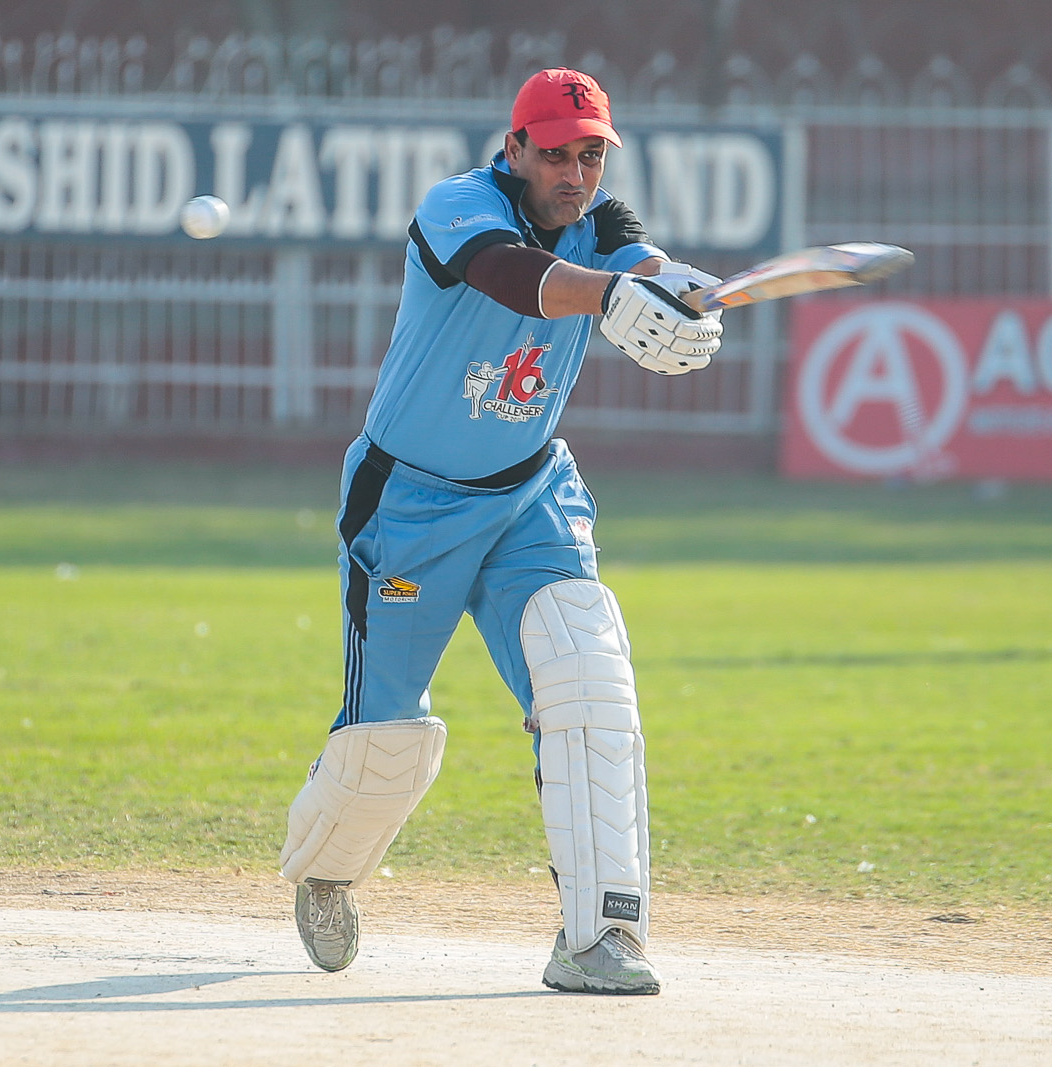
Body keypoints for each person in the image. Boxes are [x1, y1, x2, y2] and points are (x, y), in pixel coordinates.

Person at [276, 68, 723, 995]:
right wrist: (614, 294)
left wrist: (674, 287)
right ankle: (327, 869)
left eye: (591, 154)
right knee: (385, 742)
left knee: (588, 680)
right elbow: (514, 278)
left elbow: (636, 261)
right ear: (514, 146)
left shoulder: (601, 224)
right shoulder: (458, 206)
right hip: (410, 505)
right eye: (554, 153)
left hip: (530, 495)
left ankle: (599, 935)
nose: (574, 173)